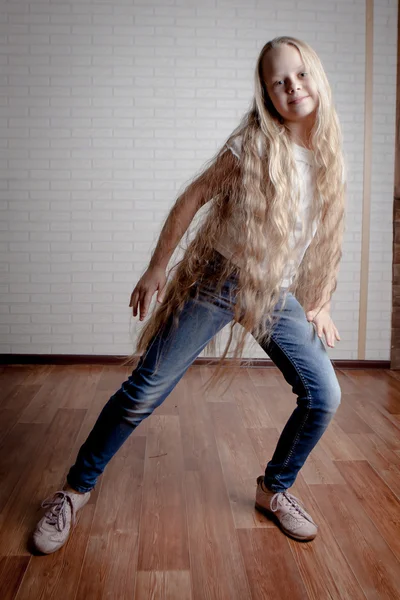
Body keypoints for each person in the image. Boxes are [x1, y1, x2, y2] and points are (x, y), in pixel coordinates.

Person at [32, 35, 346, 554]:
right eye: (278, 81)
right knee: (145, 391)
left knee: (325, 396)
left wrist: (324, 300)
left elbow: (327, 237)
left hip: (275, 293)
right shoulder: (254, 145)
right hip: (221, 281)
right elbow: (194, 195)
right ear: (268, 95)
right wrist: (157, 269)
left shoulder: (329, 159)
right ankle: (73, 491)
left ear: (316, 76)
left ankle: (274, 489)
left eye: (300, 75)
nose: (292, 86)